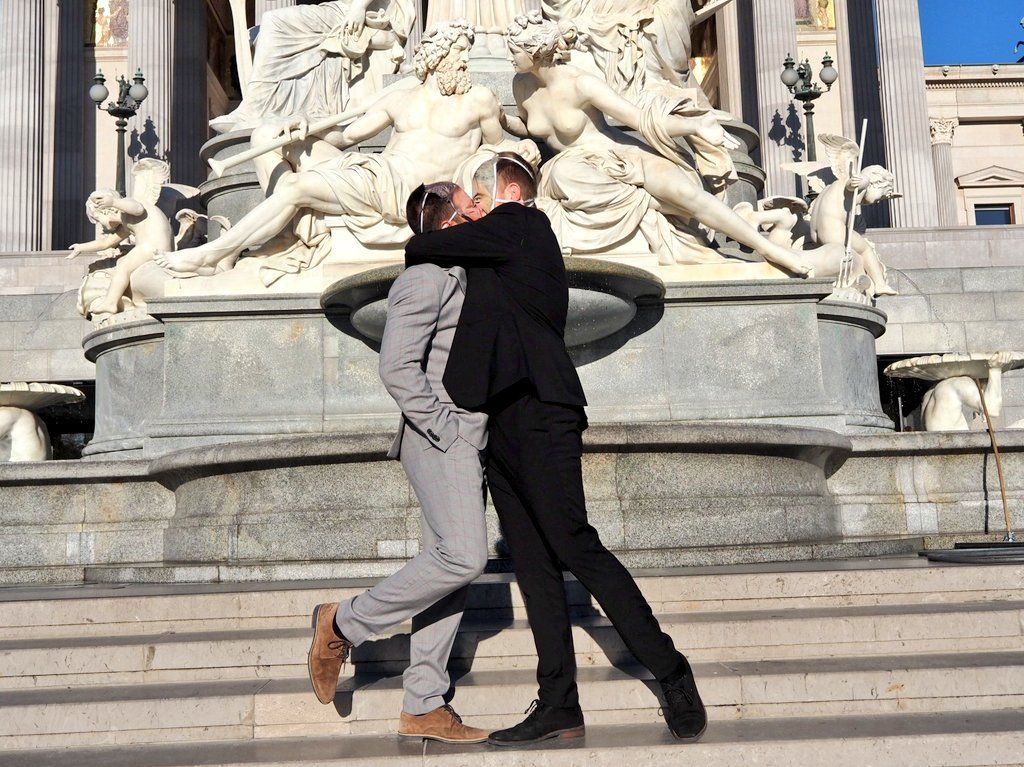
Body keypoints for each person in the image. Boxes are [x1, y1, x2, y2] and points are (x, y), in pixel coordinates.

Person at [404, 153, 708, 746]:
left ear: (510, 188)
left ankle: (670, 667)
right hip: (503, 420)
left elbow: (421, 246)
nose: (475, 205)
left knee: (573, 543)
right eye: (468, 201)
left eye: (480, 194)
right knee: (534, 565)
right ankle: (560, 703)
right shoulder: (494, 252)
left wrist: (452, 222)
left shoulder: (524, 224)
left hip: (543, 409)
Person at [306, 182, 493, 744]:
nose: (479, 212)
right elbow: (397, 368)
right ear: (448, 223)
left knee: (446, 570)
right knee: (465, 557)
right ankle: (342, 622)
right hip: (442, 434)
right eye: (469, 207)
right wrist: (447, 427)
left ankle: (424, 704)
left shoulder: (465, 274)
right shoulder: (424, 277)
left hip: (467, 434)